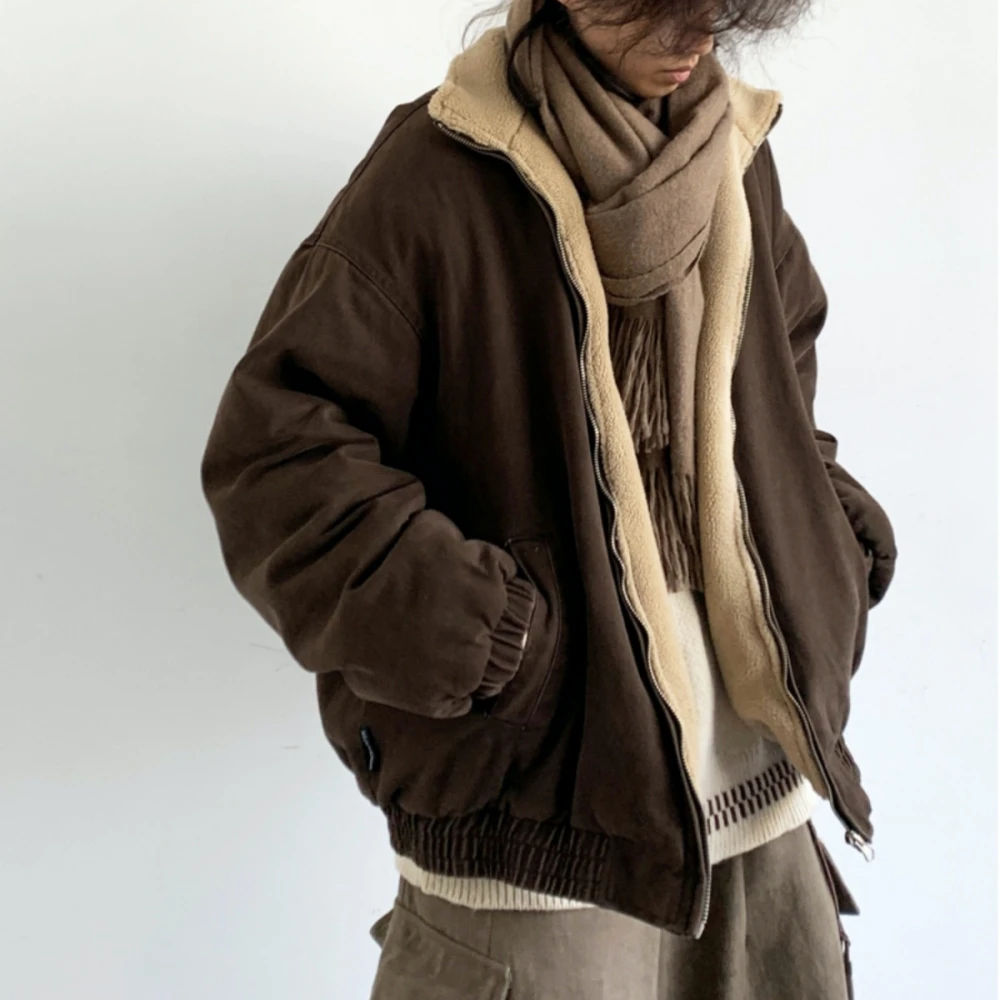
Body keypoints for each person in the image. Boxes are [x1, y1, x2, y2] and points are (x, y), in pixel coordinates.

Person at [200, 0, 898, 995]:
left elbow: (781, 380)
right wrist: (490, 637)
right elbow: (277, 457)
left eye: (715, 7)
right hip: (540, 812)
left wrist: (826, 541)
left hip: (763, 787)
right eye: (663, 7)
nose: (696, 37)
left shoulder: (737, 156)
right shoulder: (438, 171)